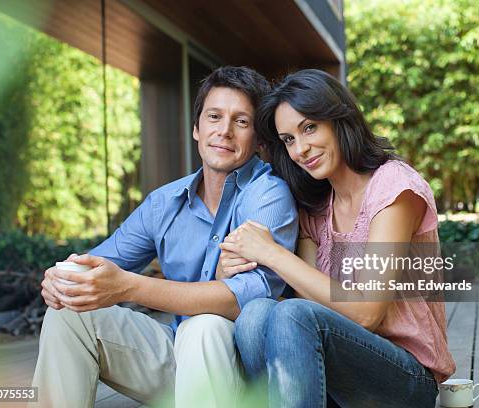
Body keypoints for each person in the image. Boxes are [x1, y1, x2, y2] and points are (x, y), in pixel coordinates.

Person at [31, 66, 299, 408]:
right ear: (196, 129)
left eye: (241, 121)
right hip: (176, 354)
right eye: (214, 116)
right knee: (70, 313)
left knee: (206, 326)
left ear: (260, 140)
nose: (224, 131)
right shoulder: (164, 202)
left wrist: (129, 286)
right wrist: (64, 279)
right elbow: (99, 264)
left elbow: (243, 298)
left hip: (241, 374)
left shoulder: (268, 195)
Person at [218, 69, 456, 407]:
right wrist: (234, 263)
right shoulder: (315, 208)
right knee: (256, 315)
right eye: (288, 139)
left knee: (291, 314)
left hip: (407, 378)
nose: (300, 149)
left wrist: (271, 253)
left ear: (338, 119)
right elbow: (310, 298)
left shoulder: (394, 189)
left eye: (309, 127)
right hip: (338, 377)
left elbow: (367, 313)